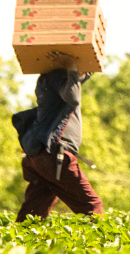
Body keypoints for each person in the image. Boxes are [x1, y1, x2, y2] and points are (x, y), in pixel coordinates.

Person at [12, 53, 103, 222]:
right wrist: (72, 66)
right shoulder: (59, 76)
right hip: (54, 156)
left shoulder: (49, 78)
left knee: (34, 210)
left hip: (38, 157)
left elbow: (74, 84)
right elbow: (73, 97)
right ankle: (95, 247)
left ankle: (17, 245)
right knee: (92, 205)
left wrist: (80, 70)